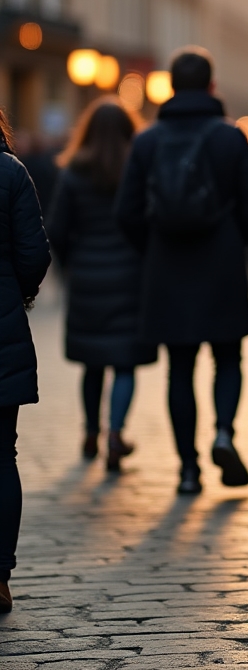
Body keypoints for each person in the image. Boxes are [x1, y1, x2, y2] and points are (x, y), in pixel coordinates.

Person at [116, 47, 248, 495]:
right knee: (227, 358)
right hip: (220, 264)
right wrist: (231, 239)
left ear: (169, 86)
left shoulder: (147, 142)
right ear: (212, 86)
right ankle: (224, 433)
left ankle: (187, 470)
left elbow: (126, 212)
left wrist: (155, 247)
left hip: (168, 268)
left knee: (178, 369)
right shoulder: (230, 138)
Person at [47, 98, 156, 472]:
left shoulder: (73, 172)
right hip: (130, 276)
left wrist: (69, 268)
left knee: (93, 363)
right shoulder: (138, 170)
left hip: (87, 277)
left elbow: (57, 230)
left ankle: (90, 431)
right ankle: (116, 433)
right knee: (124, 362)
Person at [0, 110, 51, 614]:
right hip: (2, 325)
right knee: (1, 455)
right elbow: (34, 253)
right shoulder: (11, 172)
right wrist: (18, 294)